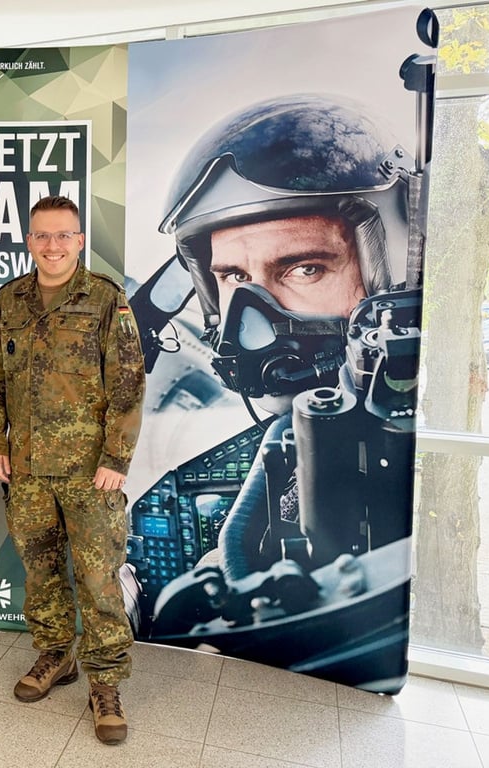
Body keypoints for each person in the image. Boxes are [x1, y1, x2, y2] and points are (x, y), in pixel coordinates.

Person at [142, 94, 417, 580]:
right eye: (231, 277)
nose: (252, 320)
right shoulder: (287, 434)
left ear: (386, 274)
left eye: (304, 269)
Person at [0, 195, 146, 745]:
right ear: (30, 241)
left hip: (88, 473)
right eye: (42, 236)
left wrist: (116, 459)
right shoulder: (11, 300)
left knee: (99, 581)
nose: (52, 245)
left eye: (63, 235)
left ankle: (106, 684)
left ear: (79, 241)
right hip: (26, 471)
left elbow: (127, 382)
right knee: (42, 571)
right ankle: (55, 656)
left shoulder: (104, 299)